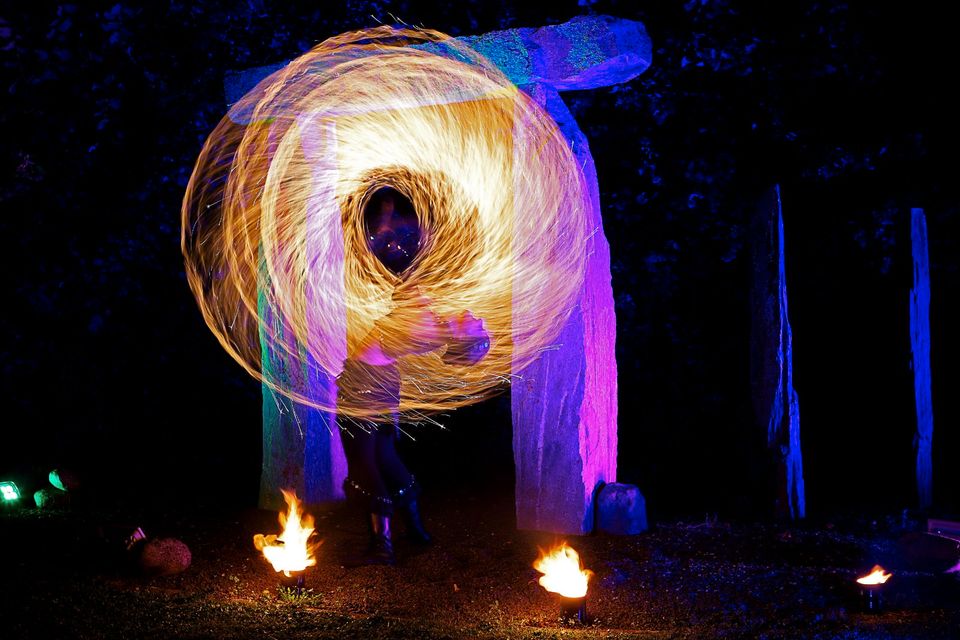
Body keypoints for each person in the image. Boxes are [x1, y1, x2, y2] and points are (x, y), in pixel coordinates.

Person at [337, 186, 490, 565]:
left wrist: (387, 223)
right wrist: (396, 222)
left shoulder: (427, 322)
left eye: (477, 328)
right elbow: (406, 269)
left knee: (364, 462)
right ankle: (416, 530)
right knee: (385, 453)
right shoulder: (434, 321)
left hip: (362, 379)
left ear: (460, 338)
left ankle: (381, 545)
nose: (479, 318)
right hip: (385, 381)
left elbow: (401, 271)